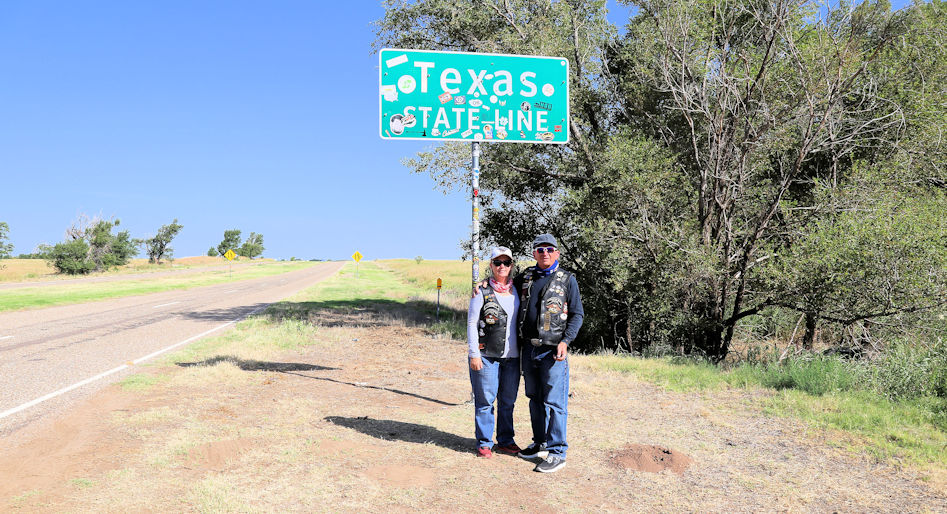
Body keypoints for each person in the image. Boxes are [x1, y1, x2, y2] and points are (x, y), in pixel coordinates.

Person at [514, 233, 584, 473]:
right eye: (540, 249)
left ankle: (557, 452)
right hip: (528, 348)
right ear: (534, 253)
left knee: (555, 402)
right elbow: (504, 293)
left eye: (549, 249)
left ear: (557, 253)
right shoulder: (525, 278)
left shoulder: (567, 279)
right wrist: (483, 286)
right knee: (534, 398)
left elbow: (577, 314)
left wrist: (566, 341)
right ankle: (540, 442)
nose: (544, 253)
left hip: (553, 351)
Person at [467, 246, 521, 458]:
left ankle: (506, 441)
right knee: (485, 401)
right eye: (497, 263)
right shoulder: (481, 291)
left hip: (512, 357)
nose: (502, 267)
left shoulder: (519, 289)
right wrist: (474, 354)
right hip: (486, 355)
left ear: (511, 266)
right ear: (491, 266)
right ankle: (484, 443)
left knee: (508, 402)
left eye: (506, 263)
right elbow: (472, 323)